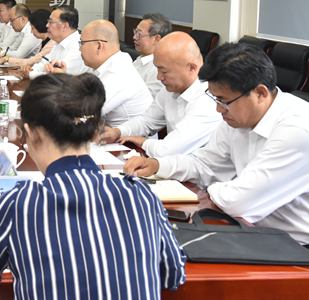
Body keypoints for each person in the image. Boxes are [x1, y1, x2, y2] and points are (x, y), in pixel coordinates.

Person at [0, 73, 186, 300]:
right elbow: (172, 274)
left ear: (31, 135)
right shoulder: (141, 196)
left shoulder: (21, 204)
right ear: (96, 132)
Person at [125, 43, 309, 245]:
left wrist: (214, 186)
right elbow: (204, 164)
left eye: (223, 100)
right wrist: (158, 165)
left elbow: (238, 202)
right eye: (215, 99)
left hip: (296, 247)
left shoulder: (296, 130)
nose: (218, 109)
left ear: (260, 93)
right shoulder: (237, 117)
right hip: (252, 230)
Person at [103, 32, 221, 157]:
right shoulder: (171, 88)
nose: (159, 77)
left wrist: (144, 142)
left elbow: (170, 149)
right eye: (157, 69)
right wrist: (118, 132)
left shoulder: (209, 98)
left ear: (192, 67)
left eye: (164, 71)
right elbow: (147, 121)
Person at [63, 19, 152, 127]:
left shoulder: (118, 74)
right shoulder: (104, 66)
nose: (80, 49)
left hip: (129, 137)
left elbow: (83, 113)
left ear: (99, 46)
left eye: (82, 43)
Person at [23, 5, 88, 79]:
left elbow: (58, 75)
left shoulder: (78, 46)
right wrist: (30, 69)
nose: (47, 25)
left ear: (65, 26)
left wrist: (30, 74)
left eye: (51, 22)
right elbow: (43, 63)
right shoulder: (58, 43)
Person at [133, 13, 171, 98]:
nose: (134, 37)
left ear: (156, 39)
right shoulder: (141, 59)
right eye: (135, 32)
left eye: (139, 34)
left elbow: (146, 100)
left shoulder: (158, 69)